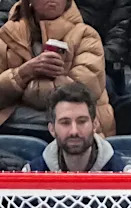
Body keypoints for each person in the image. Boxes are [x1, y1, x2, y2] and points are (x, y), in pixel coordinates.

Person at [0, 0, 115, 136]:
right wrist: (24, 72)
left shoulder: (87, 36)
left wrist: (22, 88)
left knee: (66, 121)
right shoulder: (6, 36)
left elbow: (81, 93)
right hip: (18, 127)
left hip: (79, 129)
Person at [23, 83, 131, 172]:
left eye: (81, 121)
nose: (74, 131)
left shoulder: (122, 174)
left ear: (95, 125)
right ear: (52, 129)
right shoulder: (33, 173)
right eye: (65, 123)